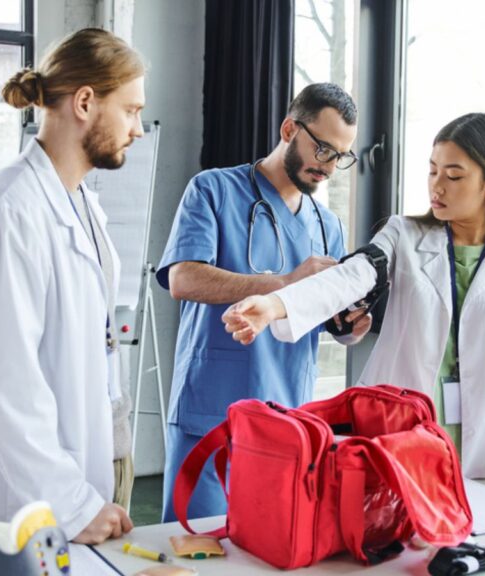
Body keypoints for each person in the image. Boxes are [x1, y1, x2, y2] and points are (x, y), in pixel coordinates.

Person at [223, 113, 485, 509]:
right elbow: (352, 276)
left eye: (454, 175)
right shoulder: (404, 233)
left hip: (480, 452)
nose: (437, 186)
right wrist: (276, 304)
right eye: (432, 171)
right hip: (393, 437)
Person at [0, 28, 143, 567]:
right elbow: (3, 379)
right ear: (85, 102)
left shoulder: (79, 202)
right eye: (130, 111)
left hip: (78, 469)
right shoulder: (8, 209)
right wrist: (71, 502)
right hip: (27, 497)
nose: (138, 129)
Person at [157, 83, 366, 522]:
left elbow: (321, 314)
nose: (329, 166)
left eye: (341, 157)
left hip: (286, 416)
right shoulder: (212, 189)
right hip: (212, 412)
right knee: (192, 550)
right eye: (323, 149)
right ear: (289, 128)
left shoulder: (328, 226)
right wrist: (285, 283)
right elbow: (182, 277)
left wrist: (345, 326)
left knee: (269, 552)